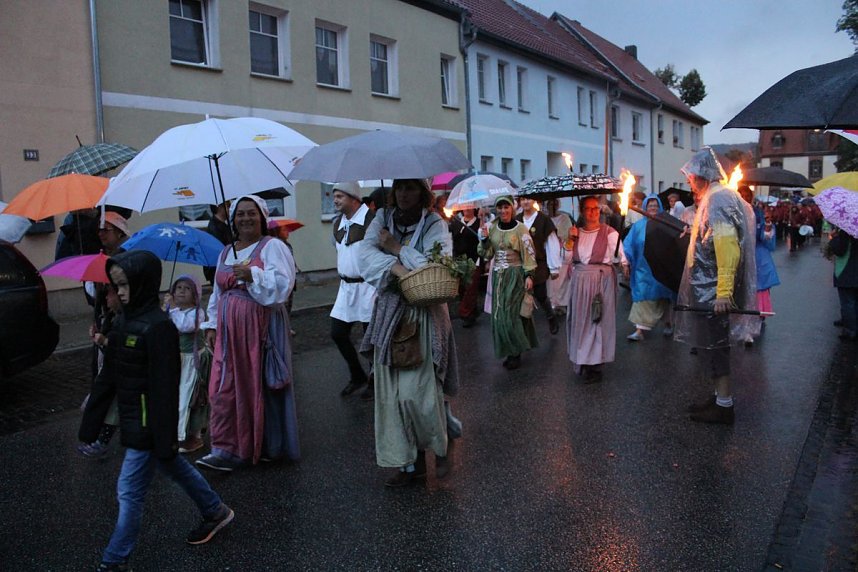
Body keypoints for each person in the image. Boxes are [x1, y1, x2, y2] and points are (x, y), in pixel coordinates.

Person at [79, 251, 233, 571]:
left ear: (142, 284)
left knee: (128, 491)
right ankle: (215, 510)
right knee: (174, 467)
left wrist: (164, 435)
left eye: (125, 285)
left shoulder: (159, 327)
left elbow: (165, 388)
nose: (119, 292)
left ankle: (113, 559)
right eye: (115, 285)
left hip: (149, 426)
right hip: (137, 420)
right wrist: (91, 424)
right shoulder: (123, 321)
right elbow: (109, 377)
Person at [359, 178, 459, 487]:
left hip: (425, 311)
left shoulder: (435, 224)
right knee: (394, 395)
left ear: (423, 193)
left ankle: (442, 444)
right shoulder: (382, 218)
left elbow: (436, 266)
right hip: (391, 312)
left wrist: (394, 248)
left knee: (421, 393)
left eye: (411, 188)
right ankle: (410, 464)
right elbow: (364, 257)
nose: (404, 194)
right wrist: (396, 268)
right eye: (399, 187)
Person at [197, 195, 299, 471]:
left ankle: (262, 445)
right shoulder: (225, 252)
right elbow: (219, 291)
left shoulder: (272, 247)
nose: (245, 218)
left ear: (262, 216)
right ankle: (225, 446)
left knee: (257, 385)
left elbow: (282, 287)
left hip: (260, 328)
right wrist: (212, 324)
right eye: (239, 214)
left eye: (251, 213)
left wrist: (253, 276)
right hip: (230, 330)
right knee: (222, 385)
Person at [674, 149, 757, 425]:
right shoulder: (714, 197)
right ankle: (718, 396)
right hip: (707, 290)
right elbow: (712, 240)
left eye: (689, 177)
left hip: (713, 292)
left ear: (700, 174)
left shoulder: (719, 199)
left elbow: (727, 246)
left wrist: (723, 292)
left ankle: (724, 405)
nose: (688, 182)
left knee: (717, 346)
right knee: (711, 346)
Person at [77, 211, 130, 458]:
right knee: (105, 382)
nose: (100, 234)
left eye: (106, 229)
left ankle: (103, 437)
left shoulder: (125, 260)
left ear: (120, 232)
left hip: (118, 328)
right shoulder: (102, 258)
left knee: (112, 387)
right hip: (105, 326)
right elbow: (97, 299)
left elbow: (122, 298)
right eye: (99, 229)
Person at [565, 195, 628, 382]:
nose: (592, 212)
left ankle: (595, 366)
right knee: (580, 322)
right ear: (582, 211)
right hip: (579, 282)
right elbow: (566, 259)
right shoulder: (576, 232)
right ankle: (583, 360)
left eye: (595, 208)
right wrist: (569, 240)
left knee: (597, 321)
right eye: (588, 208)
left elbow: (620, 258)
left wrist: (622, 264)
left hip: (601, 282)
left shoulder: (610, 233)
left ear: (600, 211)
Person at [478, 195, 538, 370]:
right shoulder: (492, 228)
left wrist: (529, 275)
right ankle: (510, 349)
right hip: (498, 277)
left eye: (506, 207)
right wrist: (484, 239)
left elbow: (529, 253)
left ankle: (515, 352)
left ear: (513, 208)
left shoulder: (521, 230)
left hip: (515, 276)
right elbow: (487, 254)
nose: (503, 211)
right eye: (500, 207)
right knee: (499, 315)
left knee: (511, 315)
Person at [329, 182, 377, 399]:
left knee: (372, 339)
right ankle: (357, 375)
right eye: (334, 196)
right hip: (346, 288)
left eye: (340, 196)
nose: (335, 200)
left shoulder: (372, 220)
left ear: (354, 198)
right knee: (338, 333)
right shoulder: (339, 222)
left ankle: (376, 381)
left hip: (368, 287)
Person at [163, 274, 208, 453]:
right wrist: (165, 310)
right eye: (178, 288)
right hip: (176, 360)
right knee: (174, 397)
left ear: (195, 294)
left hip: (192, 362)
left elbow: (185, 326)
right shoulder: (172, 310)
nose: (181, 291)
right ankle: (175, 432)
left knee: (191, 398)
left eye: (187, 288)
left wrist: (173, 310)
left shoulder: (197, 313)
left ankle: (191, 436)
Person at [623, 195, 674, 341]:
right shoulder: (638, 226)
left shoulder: (665, 224)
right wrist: (625, 263)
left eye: (655, 206)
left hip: (662, 269)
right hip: (643, 269)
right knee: (642, 297)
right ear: (645, 207)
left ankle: (668, 323)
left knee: (663, 298)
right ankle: (639, 331)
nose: (653, 208)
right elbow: (628, 244)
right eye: (650, 205)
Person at [739, 186, 780, 346]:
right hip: (740, 255)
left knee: (758, 288)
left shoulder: (758, 213)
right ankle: (743, 323)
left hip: (757, 256)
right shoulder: (733, 212)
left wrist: (768, 225)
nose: (744, 198)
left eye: (746, 195)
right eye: (740, 195)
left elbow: (764, 236)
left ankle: (754, 322)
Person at [516, 197, 560, 335]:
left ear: (534, 201)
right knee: (522, 297)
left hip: (539, 263)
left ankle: (550, 316)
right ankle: (525, 329)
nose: (525, 202)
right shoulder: (516, 220)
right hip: (521, 264)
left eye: (528, 199)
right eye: (522, 199)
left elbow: (551, 243)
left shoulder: (543, 220)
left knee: (540, 294)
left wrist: (554, 267)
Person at [450, 207, 482, 327]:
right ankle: (472, 311)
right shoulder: (456, 223)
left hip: (474, 260)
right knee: (462, 288)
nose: (466, 209)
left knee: (471, 287)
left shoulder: (478, 223)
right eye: (464, 206)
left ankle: (465, 313)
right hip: (459, 261)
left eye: (469, 206)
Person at [829, 227, 858, 341]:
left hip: (848, 271)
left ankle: (850, 330)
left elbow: (840, 250)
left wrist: (834, 238)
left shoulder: (848, 230)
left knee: (848, 302)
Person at [546, 199, 574, 315]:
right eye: (550, 203)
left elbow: (567, 234)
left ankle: (562, 303)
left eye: (554, 203)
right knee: (551, 282)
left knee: (562, 280)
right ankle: (552, 303)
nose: (552, 206)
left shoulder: (565, 218)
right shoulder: (544, 219)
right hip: (548, 253)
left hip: (562, 253)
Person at [203, 203, 231, 284]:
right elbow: (220, 251)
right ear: (219, 207)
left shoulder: (222, 225)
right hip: (218, 270)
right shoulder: (215, 228)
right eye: (228, 205)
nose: (230, 209)